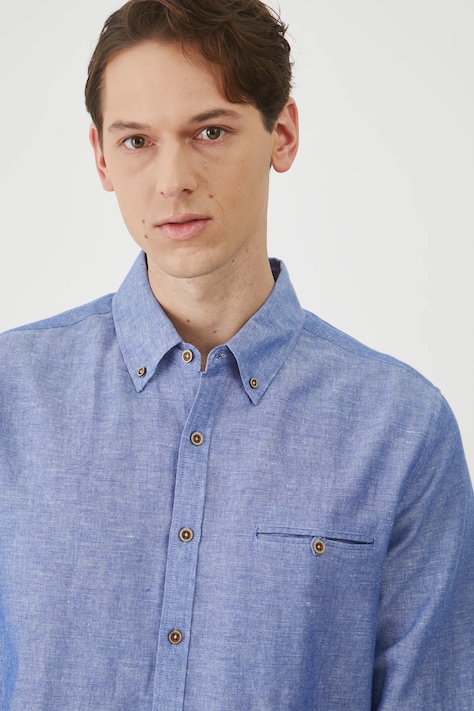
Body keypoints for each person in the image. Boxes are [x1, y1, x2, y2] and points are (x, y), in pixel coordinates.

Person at [0, 0, 472, 708]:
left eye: (210, 131)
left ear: (282, 134)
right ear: (100, 156)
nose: (172, 180)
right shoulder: (12, 396)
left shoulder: (401, 431)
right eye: (137, 141)